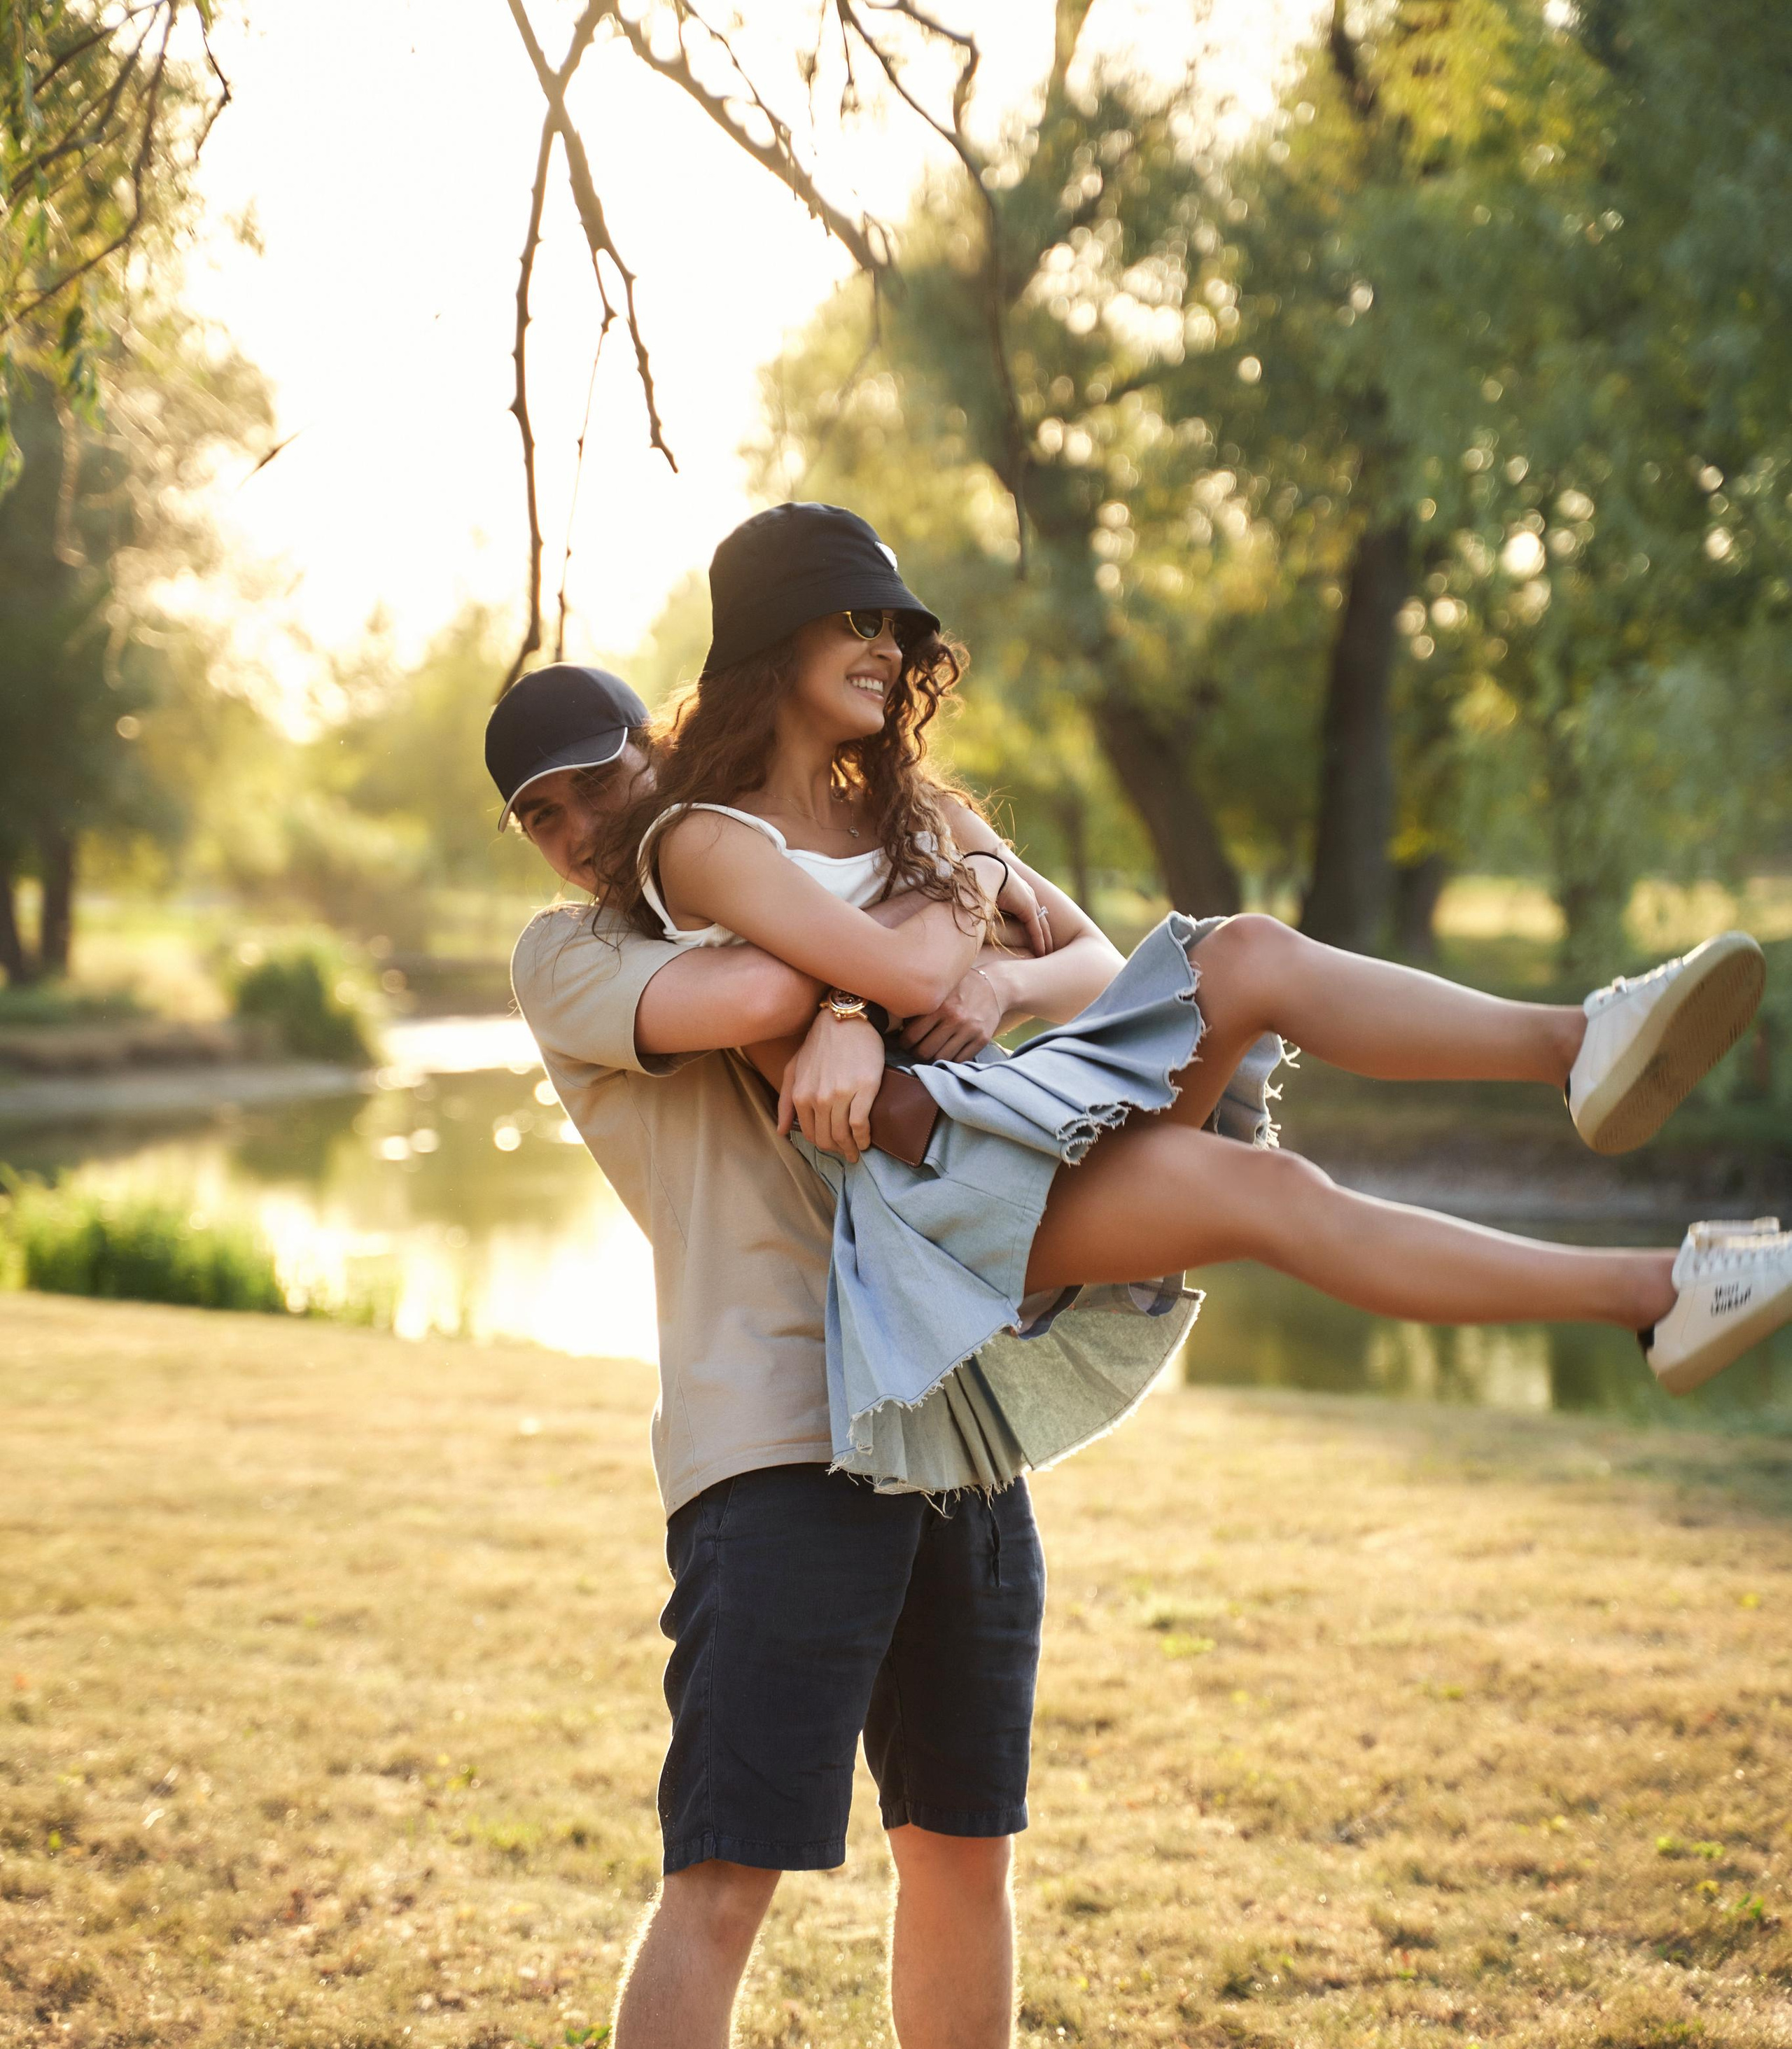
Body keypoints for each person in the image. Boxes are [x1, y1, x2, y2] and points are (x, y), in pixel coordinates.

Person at [591, 501, 1788, 1501]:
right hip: (927, 1187)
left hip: (1013, 1106)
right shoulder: (705, 839)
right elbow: (902, 976)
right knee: (1274, 1194)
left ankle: (1582, 1049)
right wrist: (980, 887)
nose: (891, 652)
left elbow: (1095, 968)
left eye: (898, 630)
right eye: (860, 622)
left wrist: (1000, 972)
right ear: (774, 636)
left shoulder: (918, 813)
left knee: (1248, 952)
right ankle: (1656, 1293)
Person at [487, 663, 1143, 2049]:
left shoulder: (811, 863)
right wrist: (894, 965)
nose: (575, 824)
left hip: (952, 1410)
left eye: (595, 777)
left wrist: (938, 934)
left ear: (660, 748)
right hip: (773, 1444)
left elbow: (1095, 961)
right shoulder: (574, 956)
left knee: (965, 1847)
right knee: (723, 1881)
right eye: (539, 812)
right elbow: (767, 996)